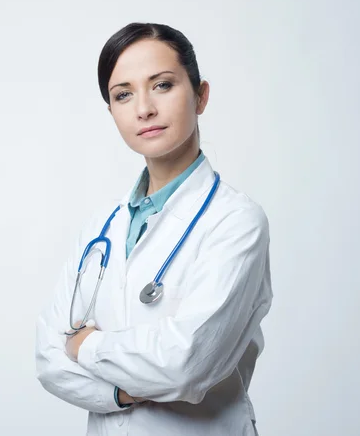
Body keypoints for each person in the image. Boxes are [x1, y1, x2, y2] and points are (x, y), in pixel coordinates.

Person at [35, 22, 272, 436]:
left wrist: (87, 345)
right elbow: (49, 358)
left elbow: (186, 364)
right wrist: (125, 393)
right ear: (112, 112)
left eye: (162, 85)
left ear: (201, 96)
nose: (143, 108)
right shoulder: (100, 229)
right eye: (123, 94)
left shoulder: (237, 222)